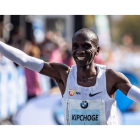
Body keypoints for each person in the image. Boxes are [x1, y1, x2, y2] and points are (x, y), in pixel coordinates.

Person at [0, 28, 140, 125]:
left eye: (86, 46)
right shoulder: (63, 74)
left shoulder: (111, 77)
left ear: (97, 50)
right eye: (76, 46)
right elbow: (24, 60)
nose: (80, 51)